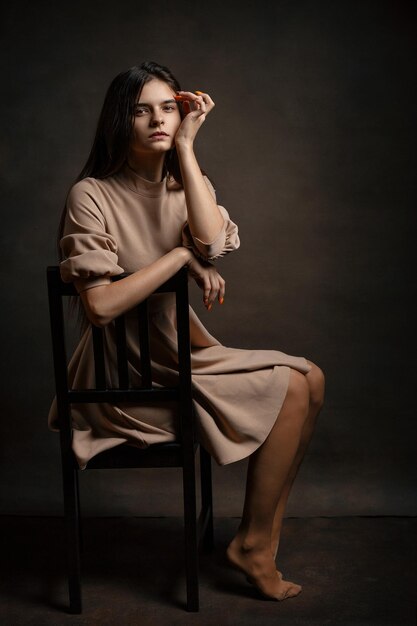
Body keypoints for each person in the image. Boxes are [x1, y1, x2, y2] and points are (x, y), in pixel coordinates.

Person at [49, 60, 325, 602]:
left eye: (168, 109)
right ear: (117, 121)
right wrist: (178, 258)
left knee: (311, 377)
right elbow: (101, 306)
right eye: (140, 109)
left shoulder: (187, 183)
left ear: (182, 115)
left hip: (179, 354)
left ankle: (259, 541)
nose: (157, 120)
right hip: (122, 378)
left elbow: (210, 240)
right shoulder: (91, 193)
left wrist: (188, 151)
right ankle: (254, 549)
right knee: (293, 386)